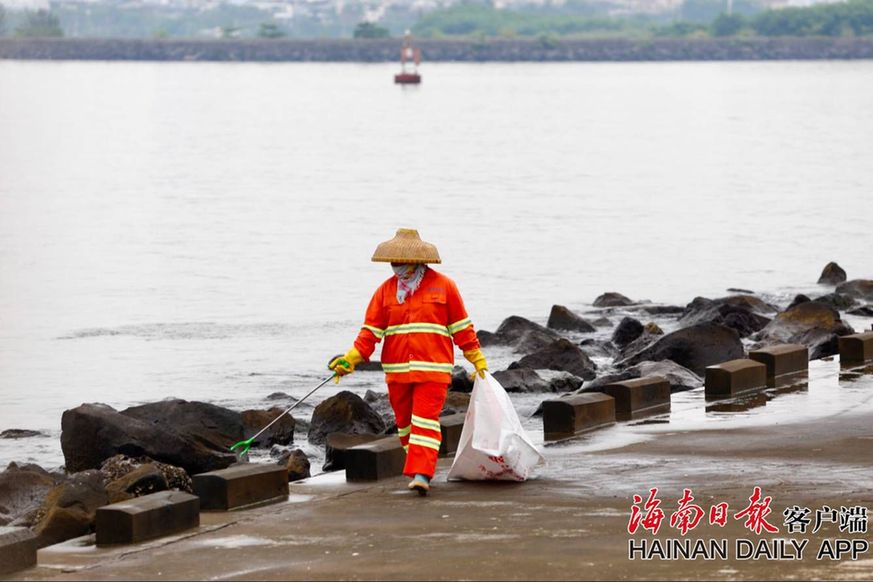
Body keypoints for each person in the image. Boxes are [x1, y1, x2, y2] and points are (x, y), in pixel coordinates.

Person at [329, 228, 487, 496]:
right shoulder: (384, 292)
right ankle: (418, 467)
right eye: (393, 262)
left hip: (434, 370)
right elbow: (370, 333)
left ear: (415, 261)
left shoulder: (444, 286)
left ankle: (422, 474)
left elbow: (462, 328)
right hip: (397, 371)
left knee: (425, 422)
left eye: (400, 262)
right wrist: (350, 360)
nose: (396, 267)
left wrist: (477, 359)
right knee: (405, 425)